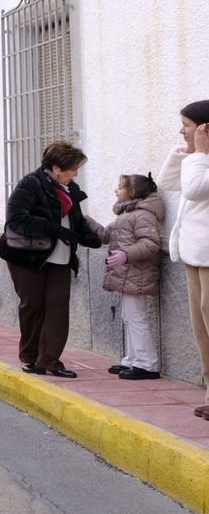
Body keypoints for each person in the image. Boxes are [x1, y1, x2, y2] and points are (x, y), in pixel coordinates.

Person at [0, 141, 103, 378]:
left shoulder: (69, 189)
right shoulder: (30, 184)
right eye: (73, 168)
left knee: (58, 308)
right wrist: (55, 230)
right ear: (57, 168)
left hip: (61, 257)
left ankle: (50, 361)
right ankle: (29, 357)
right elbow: (16, 219)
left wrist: (89, 237)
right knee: (33, 306)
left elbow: (76, 220)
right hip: (27, 257)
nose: (76, 173)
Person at [159, 100, 209, 420]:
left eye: (187, 125)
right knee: (201, 327)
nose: (181, 131)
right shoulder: (199, 161)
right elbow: (168, 182)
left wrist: (200, 153)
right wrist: (186, 153)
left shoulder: (203, 164)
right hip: (195, 255)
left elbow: (192, 189)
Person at [93, 174, 164, 380]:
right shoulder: (126, 214)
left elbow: (151, 243)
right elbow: (106, 235)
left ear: (131, 193)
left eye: (120, 187)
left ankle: (147, 364)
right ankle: (132, 359)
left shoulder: (142, 215)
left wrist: (126, 254)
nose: (116, 191)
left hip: (136, 274)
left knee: (136, 317)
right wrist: (84, 219)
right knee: (129, 317)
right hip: (127, 274)